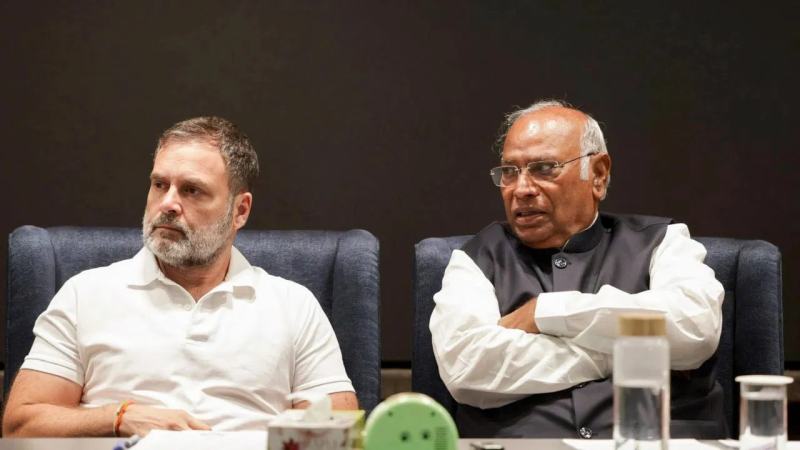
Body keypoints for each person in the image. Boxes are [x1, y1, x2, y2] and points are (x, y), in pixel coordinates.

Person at [2, 117, 358, 437]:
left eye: (192, 190)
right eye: (160, 185)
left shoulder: (293, 306)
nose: (168, 204)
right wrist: (120, 417)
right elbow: (20, 425)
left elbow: (337, 433)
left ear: (240, 210)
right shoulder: (86, 294)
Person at [430, 100, 726, 439]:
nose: (521, 189)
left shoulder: (663, 242)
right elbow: (468, 367)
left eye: (544, 168)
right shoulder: (476, 258)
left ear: (598, 174)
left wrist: (547, 312)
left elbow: (695, 328)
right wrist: (627, 353)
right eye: (509, 171)